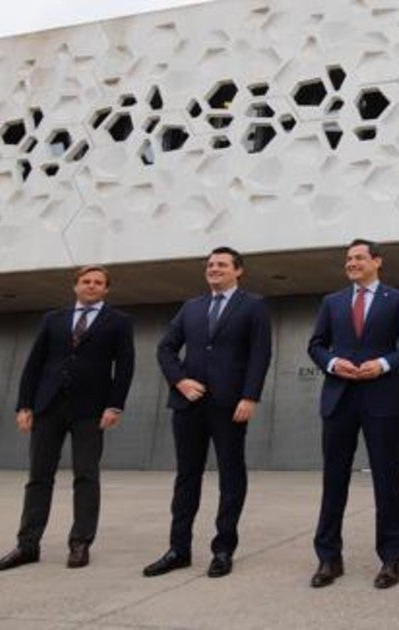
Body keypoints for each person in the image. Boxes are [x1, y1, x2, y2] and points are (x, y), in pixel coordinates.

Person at [0, 265, 135, 572]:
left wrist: (114, 406)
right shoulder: (52, 319)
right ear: (75, 286)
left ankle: (80, 543)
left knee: (86, 476)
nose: (92, 286)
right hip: (47, 408)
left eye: (98, 283)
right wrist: (24, 405)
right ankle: (27, 546)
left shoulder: (119, 321)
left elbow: (124, 367)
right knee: (38, 478)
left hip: (90, 411)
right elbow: (34, 364)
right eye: (86, 281)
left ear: (106, 290)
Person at [145, 246, 273, 579]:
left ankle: (223, 548)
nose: (214, 269)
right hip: (189, 404)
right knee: (187, 476)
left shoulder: (254, 306)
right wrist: (181, 381)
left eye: (221, 264)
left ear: (238, 270)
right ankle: (178, 549)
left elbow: (260, 354)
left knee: (231, 476)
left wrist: (250, 396)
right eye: (210, 264)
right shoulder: (192, 307)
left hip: (230, 405)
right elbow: (165, 348)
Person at [306, 239, 399, 589]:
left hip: (381, 397)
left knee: (386, 480)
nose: (352, 263)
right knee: (334, 480)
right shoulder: (333, 302)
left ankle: (390, 559)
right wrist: (331, 362)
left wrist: (385, 363)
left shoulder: (398, 300)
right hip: (339, 398)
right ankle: (329, 558)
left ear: (377, 261)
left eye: (359, 258)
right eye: (348, 259)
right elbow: (315, 344)